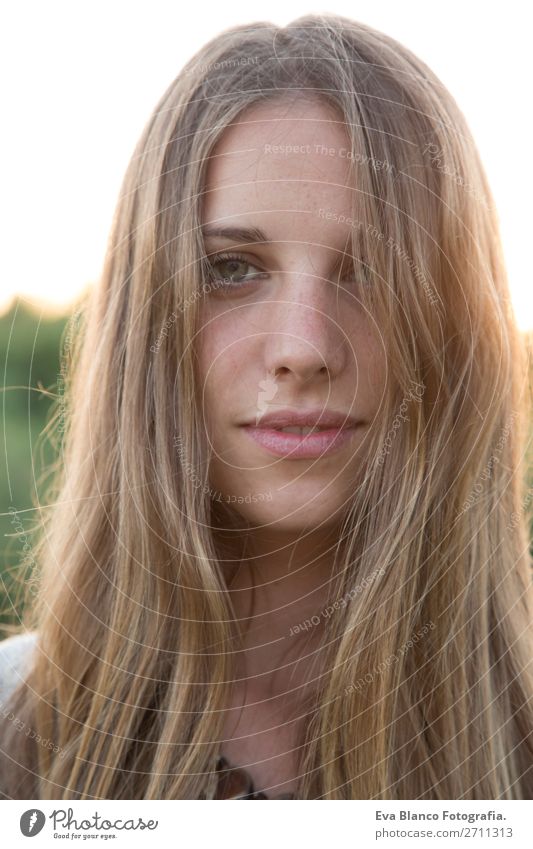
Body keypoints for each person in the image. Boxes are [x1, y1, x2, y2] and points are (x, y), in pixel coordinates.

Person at [1, 12, 532, 800]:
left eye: (374, 269)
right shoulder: (17, 730)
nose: (303, 347)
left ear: (455, 327)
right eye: (232, 269)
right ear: (146, 323)